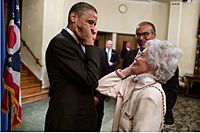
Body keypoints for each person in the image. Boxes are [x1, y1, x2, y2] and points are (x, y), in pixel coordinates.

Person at [96, 39, 182, 131]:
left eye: (141, 55)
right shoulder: (132, 81)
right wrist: (127, 71)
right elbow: (101, 86)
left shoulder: (150, 95)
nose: (136, 58)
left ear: (153, 64)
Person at [45, 2, 104, 131]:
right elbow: (91, 80)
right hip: (67, 119)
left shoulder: (75, 43)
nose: (93, 28)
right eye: (90, 22)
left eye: (94, 24)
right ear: (73, 18)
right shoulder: (61, 43)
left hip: (80, 116)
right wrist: (89, 43)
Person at [126, 21, 179, 125]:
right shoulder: (130, 55)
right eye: (138, 34)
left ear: (154, 35)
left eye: (145, 34)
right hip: (128, 109)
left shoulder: (166, 57)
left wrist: (161, 111)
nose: (141, 38)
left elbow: (172, 90)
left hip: (154, 110)